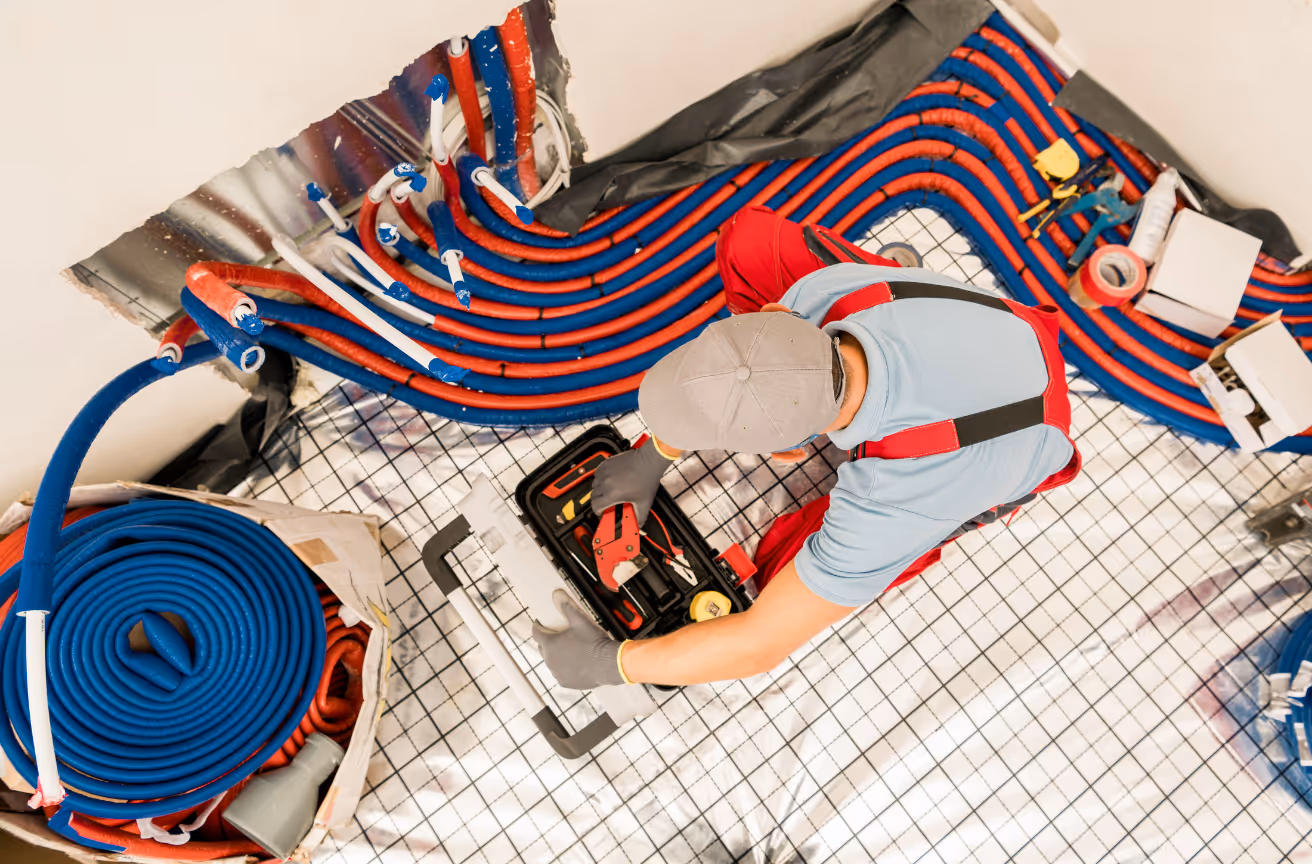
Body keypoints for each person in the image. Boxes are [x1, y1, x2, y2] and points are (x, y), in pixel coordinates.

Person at [532, 206, 1080, 690]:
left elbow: (759, 644)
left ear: (791, 451)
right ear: (775, 316)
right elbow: (736, 370)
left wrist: (615, 663)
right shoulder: (828, 297)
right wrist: (655, 455)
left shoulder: (898, 497)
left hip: (1029, 427)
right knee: (750, 242)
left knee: (788, 582)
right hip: (991, 331)